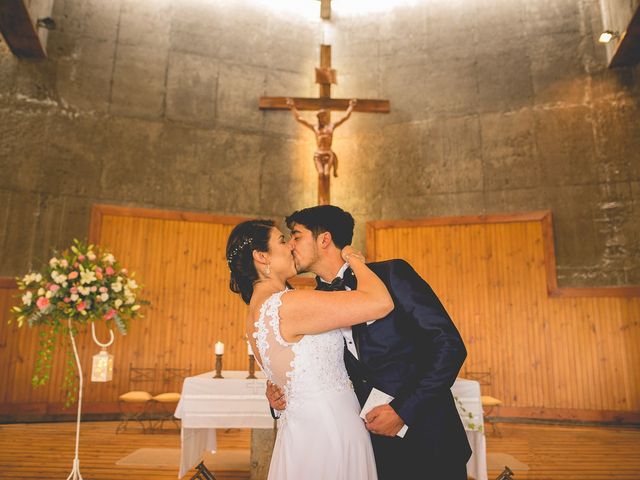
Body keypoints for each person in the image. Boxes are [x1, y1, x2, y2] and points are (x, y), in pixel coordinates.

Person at [267, 205, 472, 480]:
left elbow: (449, 345)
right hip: (369, 448)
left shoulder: (391, 275)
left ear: (324, 239)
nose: (290, 245)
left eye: (296, 235)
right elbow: (313, 369)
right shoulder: (311, 303)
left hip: (427, 435)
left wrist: (403, 411)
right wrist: (280, 396)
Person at [226, 219, 394, 480]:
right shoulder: (287, 305)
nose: (291, 246)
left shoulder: (254, 315)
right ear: (261, 256)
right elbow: (380, 302)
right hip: (331, 430)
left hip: (301, 433)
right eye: (282, 241)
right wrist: (354, 259)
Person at [286, 98, 357, 178]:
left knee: (326, 174)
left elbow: (345, 117)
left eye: (324, 116)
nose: (324, 118)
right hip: (319, 153)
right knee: (320, 173)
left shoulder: (331, 127)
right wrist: (292, 107)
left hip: (328, 153)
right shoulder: (315, 128)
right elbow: (299, 119)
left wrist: (351, 106)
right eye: (321, 117)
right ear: (319, 118)